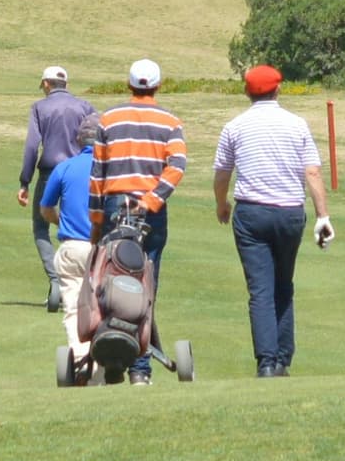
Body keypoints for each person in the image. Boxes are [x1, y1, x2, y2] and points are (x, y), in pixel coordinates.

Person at [212, 63, 332, 377]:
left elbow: (222, 173)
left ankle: (267, 363)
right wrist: (323, 216)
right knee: (284, 285)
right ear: (278, 89)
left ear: (247, 91)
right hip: (290, 212)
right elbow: (312, 172)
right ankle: (282, 359)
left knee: (261, 290)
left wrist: (221, 204)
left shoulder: (234, 126)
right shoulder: (297, 124)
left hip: (251, 213)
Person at [88, 60, 189, 374]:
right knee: (145, 282)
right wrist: (151, 201)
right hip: (150, 212)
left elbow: (97, 177)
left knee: (109, 278)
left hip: (114, 204)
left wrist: (95, 223)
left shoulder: (109, 119)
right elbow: (177, 166)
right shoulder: (170, 122)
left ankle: (113, 357)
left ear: (129, 85)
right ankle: (140, 368)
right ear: (158, 85)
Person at [17, 63, 98, 305]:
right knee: (83, 225)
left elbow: (32, 146)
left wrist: (24, 182)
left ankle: (56, 280)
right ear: (67, 84)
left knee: (41, 227)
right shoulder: (84, 106)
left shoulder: (39, 107)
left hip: (50, 173)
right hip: (82, 173)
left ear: (45, 84)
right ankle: (83, 281)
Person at [34, 137, 99, 319]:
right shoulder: (114, 170)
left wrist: (62, 222)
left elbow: (46, 209)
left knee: (74, 312)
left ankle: (78, 347)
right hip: (104, 250)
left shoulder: (64, 167)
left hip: (72, 247)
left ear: (79, 142)